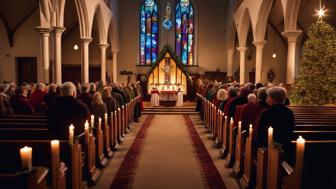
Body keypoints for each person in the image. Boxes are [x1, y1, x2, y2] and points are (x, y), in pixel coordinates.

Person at [255, 87, 295, 165]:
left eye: (268, 97)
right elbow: (290, 131)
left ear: (272, 99)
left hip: (267, 148)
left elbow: (259, 132)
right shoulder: (289, 112)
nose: (267, 99)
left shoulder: (266, 112)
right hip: (285, 147)